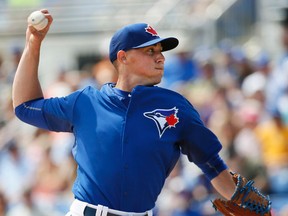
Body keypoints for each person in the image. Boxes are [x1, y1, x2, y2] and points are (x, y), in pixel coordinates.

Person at [13, 9, 242, 216]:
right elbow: (25, 107)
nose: (160, 57)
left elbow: (212, 164)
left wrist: (242, 201)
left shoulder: (177, 107)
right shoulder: (86, 102)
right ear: (123, 57)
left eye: (160, 51)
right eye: (150, 51)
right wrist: (33, 44)